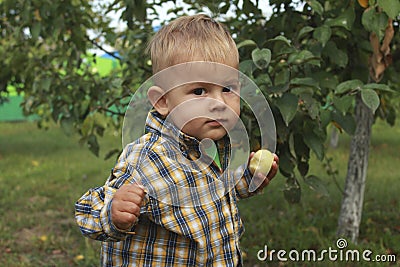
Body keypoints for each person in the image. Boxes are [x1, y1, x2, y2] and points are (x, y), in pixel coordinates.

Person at [75, 14, 279, 266]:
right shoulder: (149, 157)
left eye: (227, 88)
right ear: (163, 101)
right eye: (199, 91)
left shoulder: (211, 144)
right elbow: (87, 211)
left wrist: (250, 179)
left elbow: (214, 194)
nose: (218, 103)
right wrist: (113, 212)